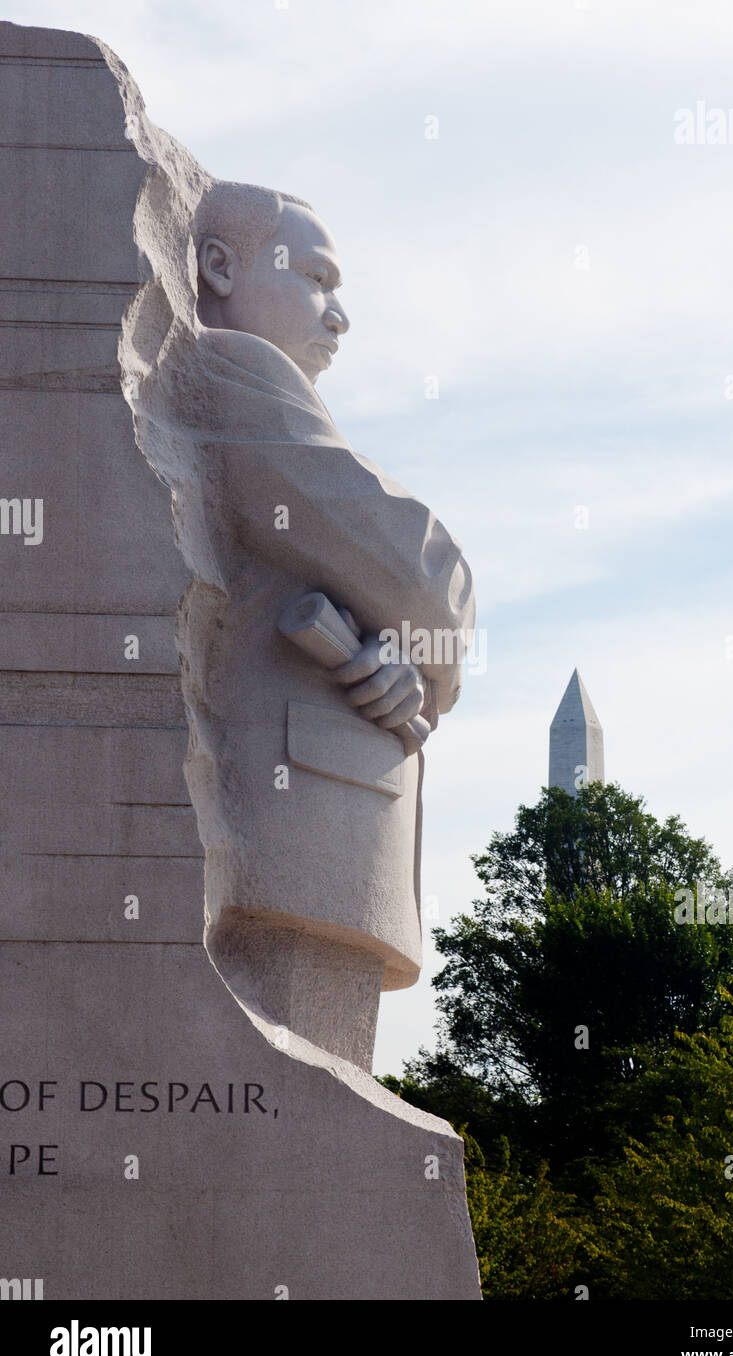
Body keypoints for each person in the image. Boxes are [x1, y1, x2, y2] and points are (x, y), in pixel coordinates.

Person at [125, 180, 475, 1070]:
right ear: (217, 265)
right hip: (295, 823)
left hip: (322, 816)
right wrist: (436, 625)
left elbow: (375, 593)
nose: (340, 316)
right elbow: (413, 569)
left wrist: (402, 657)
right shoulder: (231, 369)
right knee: (276, 1101)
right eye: (316, 278)